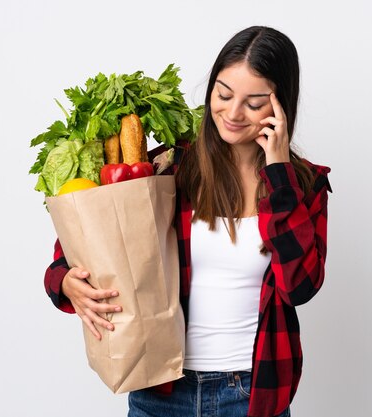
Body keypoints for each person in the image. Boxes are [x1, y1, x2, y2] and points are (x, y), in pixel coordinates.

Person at [44, 26, 332, 417]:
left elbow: (300, 286)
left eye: (254, 102)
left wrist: (278, 171)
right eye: (224, 94)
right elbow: (89, 239)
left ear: (281, 107)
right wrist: (64, 280)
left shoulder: (303, 185)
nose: (232, 113)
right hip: (160, 390)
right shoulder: (172, 167)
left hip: (250, 394)